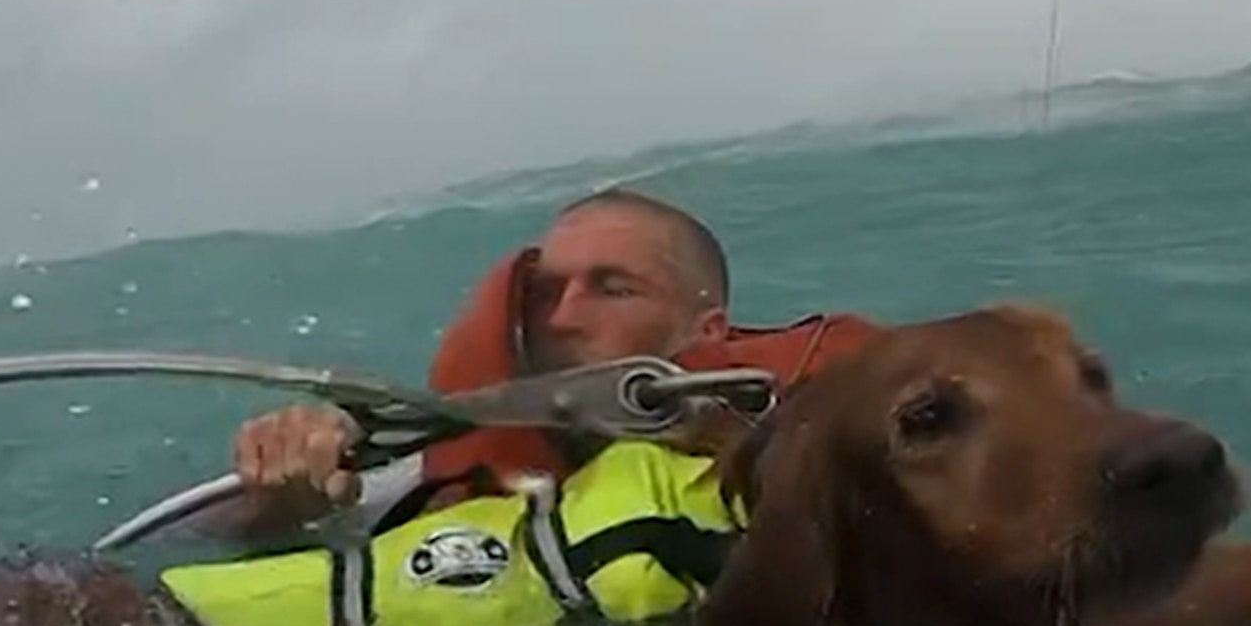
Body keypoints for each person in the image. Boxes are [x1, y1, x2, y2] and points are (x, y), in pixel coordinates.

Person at [214, 186, 879, 542]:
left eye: (612, 289)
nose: (560, 318)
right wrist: (283, 505)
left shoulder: (807, 449)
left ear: (708, 330)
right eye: (544, 293)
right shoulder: (416, 478)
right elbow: (227, 550)